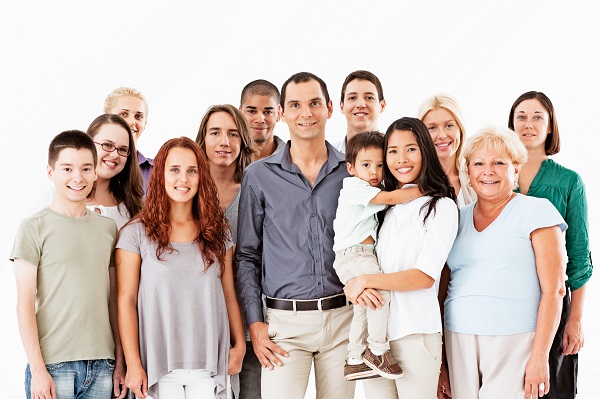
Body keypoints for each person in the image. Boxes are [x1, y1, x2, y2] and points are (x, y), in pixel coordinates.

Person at [236, 72, 355, 399]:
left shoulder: (352, 171)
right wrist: (254, 324)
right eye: (296, 105)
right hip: (284, 328)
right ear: (284, 113)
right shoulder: (259, 177)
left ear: (330, 108)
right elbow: (247, 255)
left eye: (315, 103)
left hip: (344, 320)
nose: (307, 113)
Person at [116, 137, 245, 399]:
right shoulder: (135, 233)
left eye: (191, 170)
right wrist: (133, 363)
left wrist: (239, 346)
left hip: (210, 363)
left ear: (201, 176)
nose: (182, 179)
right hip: (158, 366)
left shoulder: (218, 233)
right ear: (160, 175)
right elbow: (126, 301)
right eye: (174, 170)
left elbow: (229, 293)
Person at [443, 127, 567, 399]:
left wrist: (540, 357)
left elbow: (555, 290)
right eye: (479, 163)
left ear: (516, 169)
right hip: (458, 336)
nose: (488, 171)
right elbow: (444, 282)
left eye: (499, 163)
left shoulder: (537, 211)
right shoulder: (455, 217)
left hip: (515, 339)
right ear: (468, 171)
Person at [344, 117, 458, 398]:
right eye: (392, 151)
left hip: (415, 335)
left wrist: (365, 280)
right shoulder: (385, 208)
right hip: (377, 342)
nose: (401, 159)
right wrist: (352, 283)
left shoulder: (441, 206)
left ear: (425, 152)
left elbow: (424, 276)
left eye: (411, 149)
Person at [10, 130, 126, 399]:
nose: (78, 177)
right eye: (67, 168)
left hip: (102, 365)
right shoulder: (33, 227)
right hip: (53, 364)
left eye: (86, 168)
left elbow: (112, 301)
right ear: (50, 172)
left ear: (95, 172)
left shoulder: (108, 229)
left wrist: (119, 362)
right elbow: (24, 304)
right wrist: (38, 370)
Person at [508, 91, 592, 399]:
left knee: (552, 388)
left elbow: (580, 255)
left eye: (537, 117)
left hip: (554, 302)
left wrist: (576, 319)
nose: (528, 124)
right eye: (521, 117)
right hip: (504, 303)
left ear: (550, 126)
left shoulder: (569, 181)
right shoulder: (494, 176)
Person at [333, 131, 422, 381]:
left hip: (357, 255)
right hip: (354, 255)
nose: (374, 172)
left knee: (365, 304)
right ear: (351, 168)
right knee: (380, 295)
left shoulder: (367, 188)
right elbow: (394, 198)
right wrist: (425, 188)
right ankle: (378, 350)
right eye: (366, 165)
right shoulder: (355, 187)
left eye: (380, 165)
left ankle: (354, 358)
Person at [195, 104, 257, 399]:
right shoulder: (184, 190)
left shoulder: (255, 189)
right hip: (196, 329)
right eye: (215, 132)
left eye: (233, 134)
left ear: (244, 140)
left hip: (249, 327)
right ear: (202, 138)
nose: (224, 142)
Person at [417, 92, 476, 207]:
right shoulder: (413, 181)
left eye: (449, 126)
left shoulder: (475, 177)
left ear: (460, 129)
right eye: (432, 128)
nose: (442, 135)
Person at [86, 113, 144, 229]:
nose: (114, 155)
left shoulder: (134, 208)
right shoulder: (55, 196)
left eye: (122, 149)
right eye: (107, 145)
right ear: (88, 144)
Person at [104, 87, 153, 193]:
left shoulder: (157, 171)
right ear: (106, 118)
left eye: (138, 116)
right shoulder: (90, 166)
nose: (132, 122)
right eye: (123, 114)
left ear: (145, 123)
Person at [335, 70, 386, 153]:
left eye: (369, 98)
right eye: (352, 98)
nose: (360, 104)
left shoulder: (394, 154)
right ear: (342, 106)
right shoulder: (327, 155)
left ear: (382, 105)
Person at [239, 79, 286, 161]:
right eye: (251, 111)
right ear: (240, 113)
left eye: (268, 112)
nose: (260, 120)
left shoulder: (295, 159)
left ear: (279, 114)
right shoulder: (227, 157)